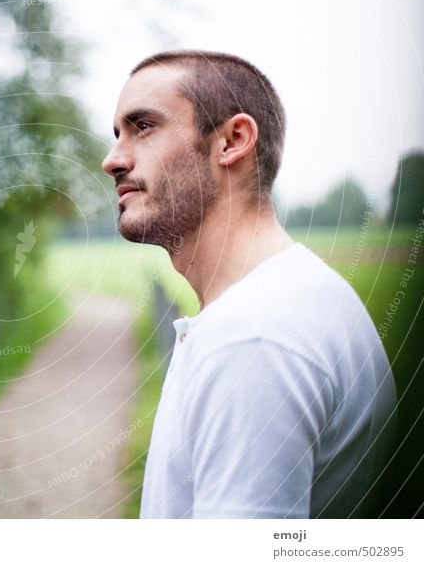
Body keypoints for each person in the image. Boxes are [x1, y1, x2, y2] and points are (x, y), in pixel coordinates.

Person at [101, 50, 397, 518]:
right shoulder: (293, 301)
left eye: (143, 127)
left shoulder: (253, 337)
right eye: (116, 134)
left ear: (232, 140)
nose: (112, 160)